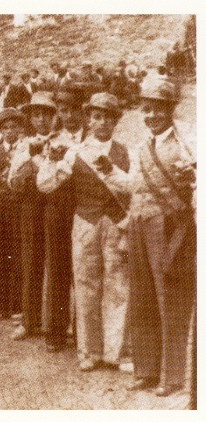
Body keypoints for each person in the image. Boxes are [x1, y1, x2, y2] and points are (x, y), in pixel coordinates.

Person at [36, 92, 131, 372]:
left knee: (117, 285)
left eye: (108, 117)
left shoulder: (126, 151)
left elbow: (131, 186)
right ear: (88, 119)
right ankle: (88, 351)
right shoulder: (74, 151)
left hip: (115, 223)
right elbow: (45, 185)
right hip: (85, 223)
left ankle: (117, 352)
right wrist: (50, 161)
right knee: (87, 285)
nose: (102, 123)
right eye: (97, 116)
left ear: (116, 121)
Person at [114, 78, 196, 396]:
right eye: (147, 110)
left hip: (168, 226)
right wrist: (107, 171)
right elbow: (133, 185)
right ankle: (146, 370)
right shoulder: (141, 147)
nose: (151, 116)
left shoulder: (186, 143)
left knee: (169, 298)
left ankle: (172, 376)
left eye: (158, 109)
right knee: (142, 297)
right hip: (138, 223)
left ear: (170, 110)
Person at [38, 87, 85, 352]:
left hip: (84, 208)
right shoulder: (54, 141)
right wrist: (53, 161)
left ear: (82, 111)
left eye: (72, 110)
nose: (67, 116)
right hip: (58, 209)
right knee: (57, 270)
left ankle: (83, 333)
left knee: (85, 270)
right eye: (63, 111)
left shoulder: (93, 138)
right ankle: (56, 331)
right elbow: (44, 183)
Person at [8, 92, 58, 341]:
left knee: (58, 262)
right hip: (30, 206)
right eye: (36, 114)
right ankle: (29, 320)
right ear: (30, 117)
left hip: (55, 205)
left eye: (45, 114)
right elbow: (12, 179)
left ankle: (56, 323)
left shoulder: (61, 141)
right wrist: (30, 157)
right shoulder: (23, 144)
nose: (41, 119)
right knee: (30, 260)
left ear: (53, 116)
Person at [0, 108, 27, 321]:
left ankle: (16, 305)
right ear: (1, 131)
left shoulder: (24, 149)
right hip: (0, 206)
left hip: (18, 207)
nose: (10, 132)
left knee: (17, 252)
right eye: (6, 128)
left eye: (13, 127)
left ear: (20, 129)